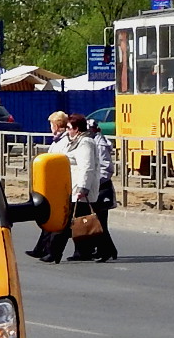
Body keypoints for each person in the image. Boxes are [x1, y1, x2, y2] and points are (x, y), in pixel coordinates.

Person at [41, 113, 98, 263]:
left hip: (78, 189)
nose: (66, 130)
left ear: (77, 129)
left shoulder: (85, 142)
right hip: (70, 187)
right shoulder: (72, 141)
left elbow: (87, 167)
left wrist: (83, 188)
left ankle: (54, 253)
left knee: (66, 222)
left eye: (69, 127)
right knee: (82, 222)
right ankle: (96, 250)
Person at [25, 111, 69, 259]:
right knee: (49, 217)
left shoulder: (64, 141)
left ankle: (51, 251)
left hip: (58, 186)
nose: (50, 127)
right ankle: (41, 249)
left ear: (56, 125)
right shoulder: (57, 140)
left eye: (51, 124)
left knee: (55, 220)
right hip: (51, 185)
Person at [88, 118, 118, 262]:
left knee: (100, 221)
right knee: (97, 221)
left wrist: (94, 183)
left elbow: (106, 169)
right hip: (96, 187)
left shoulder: (99, 144)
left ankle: (106, 251)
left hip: (101, 187)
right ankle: (108, 250)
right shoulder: (92, 142)